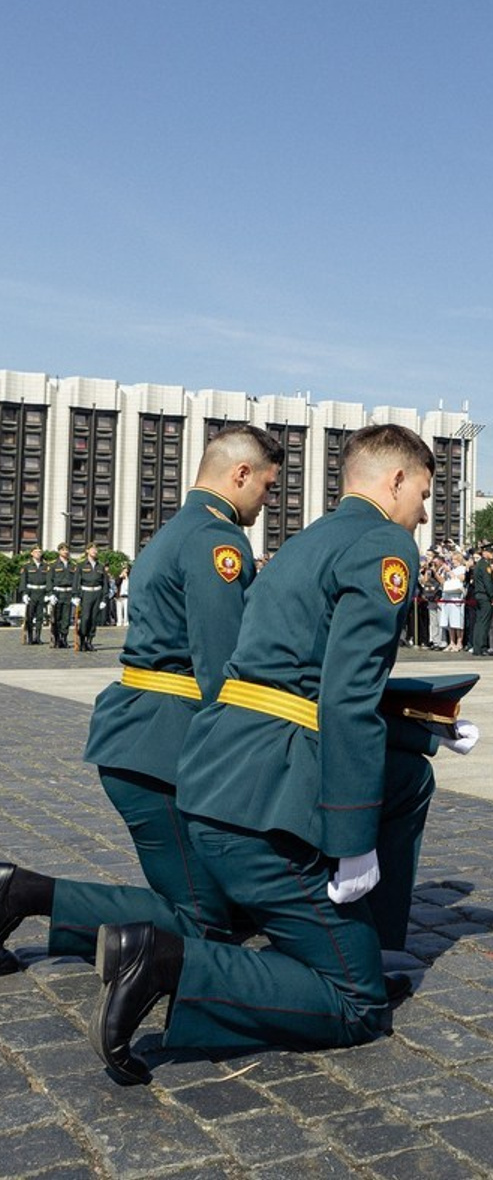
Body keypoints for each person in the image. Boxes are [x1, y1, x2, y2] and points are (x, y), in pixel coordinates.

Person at [47, 423, 433, 1082]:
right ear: (394, 480)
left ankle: (360, 937)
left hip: (208, 774)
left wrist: (420, 725)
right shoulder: (382, 543)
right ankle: (166, 964)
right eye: (423, 494)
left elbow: (283, 675)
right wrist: (352, 840)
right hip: (257, 790)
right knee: (354, 1000)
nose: (424, 513)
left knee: (406, 777)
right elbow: (342, 697)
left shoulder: (306, 541)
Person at [81, 426, 284, 934]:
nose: (266, 502)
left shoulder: (178, 529)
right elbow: (224, 669)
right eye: (266, 486)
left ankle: (26, 896)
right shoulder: (216, 538)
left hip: (143, 740)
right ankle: (25, 894)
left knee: (218, 907)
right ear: (241, 474)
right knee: (205, 920)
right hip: (161, 751)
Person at [73, 542, 110, 652]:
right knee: (85, 618)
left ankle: (89, 641)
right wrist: (76, 595)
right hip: (86, 594)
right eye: (92, 549)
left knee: (94, 619)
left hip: (97, 594)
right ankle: (83, 639)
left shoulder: (100, 566)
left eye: (96, 549)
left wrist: (104, 598)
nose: (95, 551)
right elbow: (76, 582)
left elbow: (105, 584)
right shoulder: (81, 565)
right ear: (87, 551)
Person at [17, 546, 51, 646]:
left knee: (40, 617)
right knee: (30, 616)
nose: (38, 553)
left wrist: (48, 593)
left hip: (41, 592)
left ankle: (38, 637)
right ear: (32, 553)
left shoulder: (46, 566)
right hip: (31, 593)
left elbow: (48, 581)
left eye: (39, 552)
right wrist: (25, 594)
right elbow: (23, 581)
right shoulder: (27, 566)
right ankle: (30, 637)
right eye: (36, 552)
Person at [470, 543, 493, 655]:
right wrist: (492, 596)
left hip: (478, 595)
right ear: (485, 553)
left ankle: (477, 647)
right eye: (490, 552)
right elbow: (488, 583)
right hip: (485, 596)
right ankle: (482, 647)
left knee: (479, 622)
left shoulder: (478, 565)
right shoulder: (485, 566)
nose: (492, 554)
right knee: (484, 623)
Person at [48, 543, 77, 649]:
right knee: (56, 617)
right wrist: (50, 594)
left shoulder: (72, 565)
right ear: (59, 551)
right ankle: (56, 638)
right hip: (57, 593)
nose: (66, 552)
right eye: (63, 550)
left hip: (68, 593)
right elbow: (49, 580)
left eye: (67, 550)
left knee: (66, 618)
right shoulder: (53, 565)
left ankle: (64, 638)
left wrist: (75, 595)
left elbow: (75, 581)